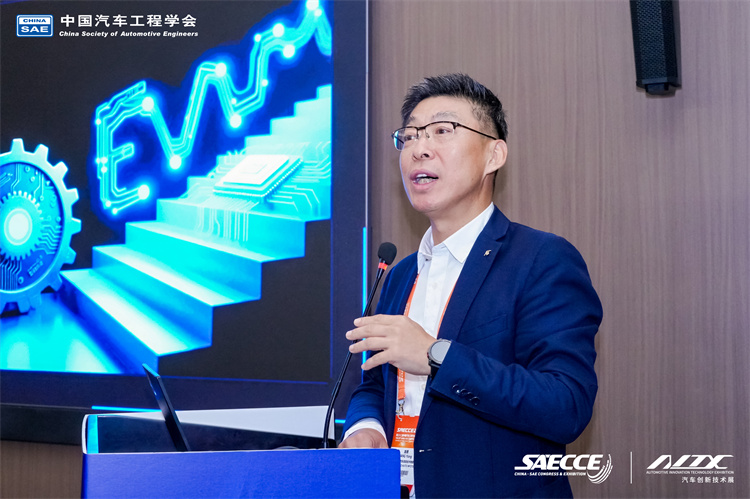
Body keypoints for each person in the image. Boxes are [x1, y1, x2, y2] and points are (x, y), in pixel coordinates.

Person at [339, 73, 603, 498]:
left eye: (442, 131)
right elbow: (374, 384)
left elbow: (565, 404)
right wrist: (365, 427)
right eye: (409, 136)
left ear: (494, 154)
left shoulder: (541, 260)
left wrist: (435, 355)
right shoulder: (400, 273)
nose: (419, 148)